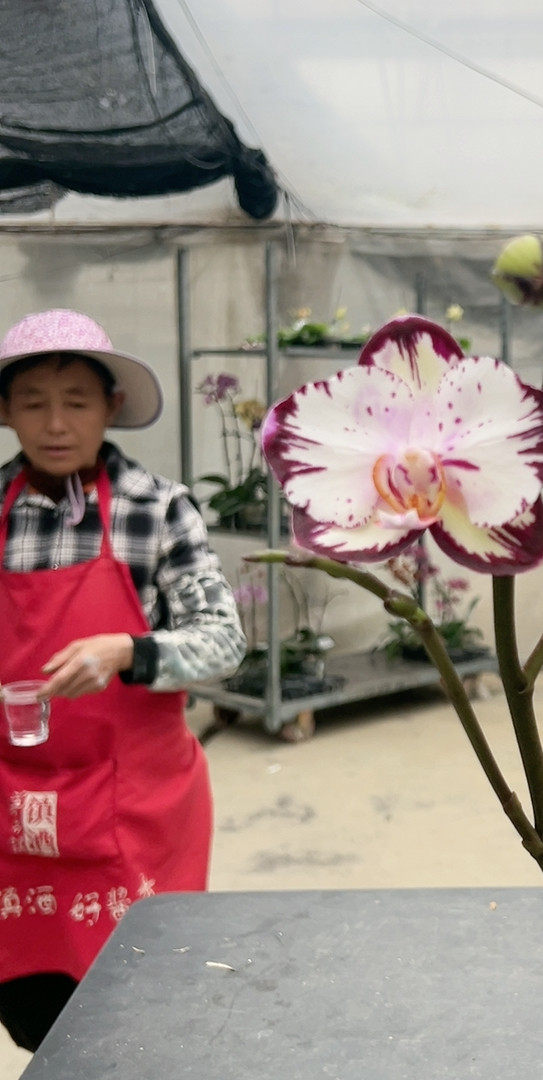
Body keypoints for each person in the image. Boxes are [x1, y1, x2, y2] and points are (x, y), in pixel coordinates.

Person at [0, 309, 245, 1051]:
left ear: (111, 407)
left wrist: (126, 652)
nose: (54, 422)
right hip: (20, 815)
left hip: (137, 810)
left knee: (144, 1016)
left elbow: (224, 642)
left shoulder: (157, 508)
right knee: (37, 1018)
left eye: (75, 400)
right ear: (5, 410)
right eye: (33, 401)